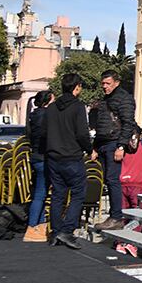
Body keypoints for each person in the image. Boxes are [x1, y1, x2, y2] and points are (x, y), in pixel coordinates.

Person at [45, 73, 92, 250]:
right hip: (72, 156)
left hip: (53, 157)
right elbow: (82, 133)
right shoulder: (78, 107)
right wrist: (89, 149)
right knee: (78, 193)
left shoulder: (51, 108)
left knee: (58, 195)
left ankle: (56, 231)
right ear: (77, 87)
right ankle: (67, 229)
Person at [90, 69, 136, 230]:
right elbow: (101, 124)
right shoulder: (106, 99)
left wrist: (121, 146)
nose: (104, 86)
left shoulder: (124, 99)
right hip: (103, 143)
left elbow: (128, 123)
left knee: (112, 179)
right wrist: (95, 147)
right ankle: (113, 215)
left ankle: (116, 216)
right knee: (107, 180)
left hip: (114, 143)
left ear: (116, 83)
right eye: (103, 83)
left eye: (107, 83)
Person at [22, 90, 53, 243]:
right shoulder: (45, 116)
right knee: (40, 194)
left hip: (36, 156)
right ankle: (33, 226)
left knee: (40, 192)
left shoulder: (34, 115)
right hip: (43, 158)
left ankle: (40, 224)